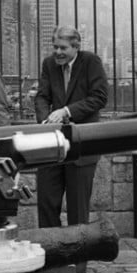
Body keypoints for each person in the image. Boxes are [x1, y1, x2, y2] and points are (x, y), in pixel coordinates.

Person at [34, 25, 109, 231]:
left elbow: (99, 97)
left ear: (76, 47)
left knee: (78, 208)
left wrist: (66, 111)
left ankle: (78, 257)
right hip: (52, 144)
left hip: (81, 146)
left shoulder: (91, 62)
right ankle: (51, 253)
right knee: (46, 204)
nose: (58, 52)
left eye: (63, 48)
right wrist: (44, 121)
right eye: (55, 47)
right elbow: (42, 96)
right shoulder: (49, 64)